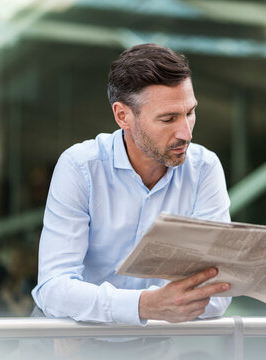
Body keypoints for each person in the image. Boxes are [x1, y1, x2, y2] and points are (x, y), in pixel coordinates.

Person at [31, 43, 232, 326]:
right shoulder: (80, 167)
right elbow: (54, 290)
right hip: (68, 339)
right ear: (123, 116)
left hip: (153, 341)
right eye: (168, 118)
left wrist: (161, 306)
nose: (186, 133)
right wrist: (146, 305)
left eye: (190, 112)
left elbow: (218, 293)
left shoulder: (204, 169)